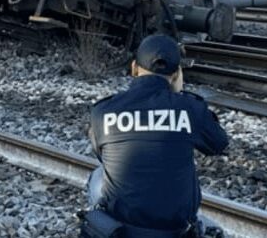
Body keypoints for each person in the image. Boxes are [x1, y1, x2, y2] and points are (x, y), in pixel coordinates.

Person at [82, 34, 229, 237]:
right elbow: (219, 144)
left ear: (134, 68)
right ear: (177, 74)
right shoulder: (190, 108)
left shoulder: (104, 110)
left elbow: (101, 153)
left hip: (124, 229)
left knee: (101, 173)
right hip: (175, 230)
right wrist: (179, 95)